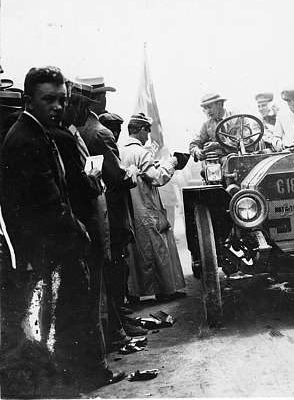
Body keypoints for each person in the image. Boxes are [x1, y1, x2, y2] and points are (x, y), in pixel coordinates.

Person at [0, 67, 125, 393]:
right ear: (28, 100)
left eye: (61, 100)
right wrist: (80, 233)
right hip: (44, 252)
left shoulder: (38, 132)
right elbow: (48, 205)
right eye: (48, 99)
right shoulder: (26, 138)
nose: (57, 106)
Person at [76, 75, 141, 345]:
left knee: (109, 269)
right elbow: (117, 176)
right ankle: (116, 326)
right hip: (111, 210)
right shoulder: (100, 132)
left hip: (95, 211)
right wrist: (132, 175)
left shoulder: (82, 130)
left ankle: (117, 322)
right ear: (98, 99)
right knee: (115, 266)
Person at [121, 113, 186, 301]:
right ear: (141, 130)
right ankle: (165, 292)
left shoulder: (120, 150)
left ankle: (133, 294)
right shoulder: (141, 152)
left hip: (130, 207)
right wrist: (171, 164)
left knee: (134, 252)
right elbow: (157, 178)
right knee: (157, 248)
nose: (148, 135)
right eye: (147, 131)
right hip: (146, 206)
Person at [189, 93, 231, 161]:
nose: (208, 111)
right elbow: (194, 144)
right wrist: (197, 151)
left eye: (209, 107)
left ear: (219, 104)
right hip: (219, 163)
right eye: (205, 108)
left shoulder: (238, 119)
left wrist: (217, 145)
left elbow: (245, 142)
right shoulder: (207, 125)